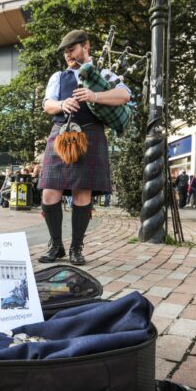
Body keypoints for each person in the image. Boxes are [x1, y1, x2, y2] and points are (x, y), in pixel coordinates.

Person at [39, 29, 131, 265]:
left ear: (85, 47)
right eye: (65, 52)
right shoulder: (58, 77)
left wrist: (94, 96)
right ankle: (56, 245)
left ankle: (76, 248)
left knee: (82, 193)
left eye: (72, 49)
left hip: (91, 134)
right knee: (49, 192)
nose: (68, 55)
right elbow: (47, 104)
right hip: (61, 133)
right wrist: (62, 103)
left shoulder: (103, 73)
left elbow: (124, 95)